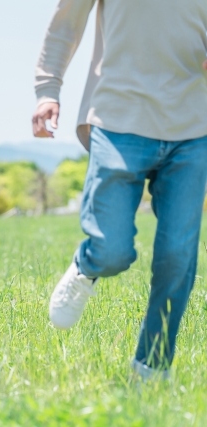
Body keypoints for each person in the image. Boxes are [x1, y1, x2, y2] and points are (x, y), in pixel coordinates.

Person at [32, 0, 207, 380]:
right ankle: (88, 265)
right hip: (118, 119)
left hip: (193, 128)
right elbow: (66, 23)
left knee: (178, 255)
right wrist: (48, 90)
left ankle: (151, 367)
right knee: (111, 250)